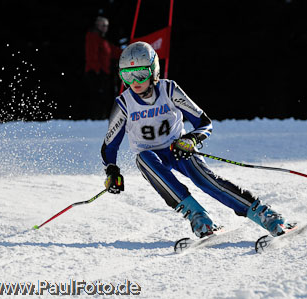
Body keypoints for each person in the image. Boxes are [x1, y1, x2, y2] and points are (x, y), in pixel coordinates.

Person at [100, 41, 293, 239]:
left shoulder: (169, 90)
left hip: (178, 148)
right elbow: (109, 146)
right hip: (151, 157)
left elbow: (204, 122)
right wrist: (112, 170)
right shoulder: (124, 103)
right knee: (143, 158)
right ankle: (198, 216)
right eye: (127, 75)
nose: (134, 81)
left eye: (140, 73)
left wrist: (191, 139)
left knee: (205, 180)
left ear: (153, 71)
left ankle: (263, 214)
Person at [84, 16, 121, 119]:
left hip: (103, 72)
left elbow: (112, 51)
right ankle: (98, 117)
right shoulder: (93, 36)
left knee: (106, 97)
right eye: (103, 25)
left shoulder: (102, 39)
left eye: (107, 26)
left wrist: (126, 51)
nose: (106, 28)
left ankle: (103, 117)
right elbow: (92, 55)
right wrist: (97, 71)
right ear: (97, 25)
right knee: (99, 98)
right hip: (96, 73)